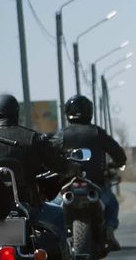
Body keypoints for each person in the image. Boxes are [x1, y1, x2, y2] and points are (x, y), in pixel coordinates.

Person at [0, 94, 78, 260]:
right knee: (58, 215)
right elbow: (58, 163)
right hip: (27, 205)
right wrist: (71, 168)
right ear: (16, 113)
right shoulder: (32, 138)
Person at [52, 95, 127, 251]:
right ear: (89, 112)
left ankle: (54, 240)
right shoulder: (97, 133)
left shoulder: (61, 135)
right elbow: (119, 154)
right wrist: (118, 163)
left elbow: (48, 154)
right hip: (95, 183)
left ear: (68, 113)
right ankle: (109, 231)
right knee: (112, 204)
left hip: (67, 183)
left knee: (53, 209)